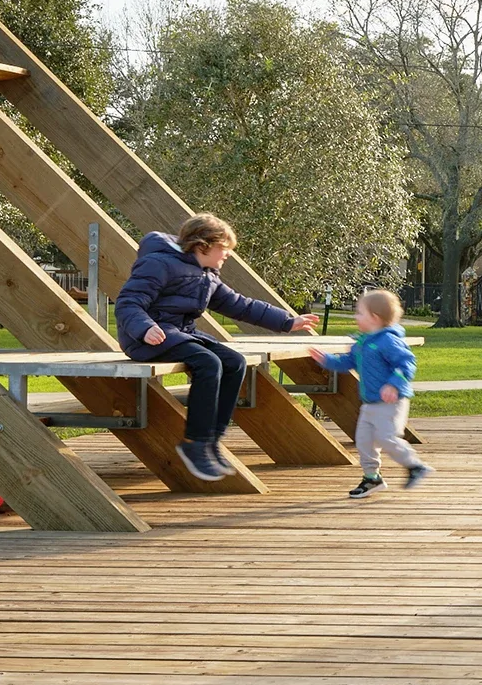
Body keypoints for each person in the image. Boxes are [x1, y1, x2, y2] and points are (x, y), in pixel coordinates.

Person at [113, 213, 319, 483]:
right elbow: (128, 303)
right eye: (225, 248)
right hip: (148, 337)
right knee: (208, 363)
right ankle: (195, 443)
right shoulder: (158, 264)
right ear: (203, 245)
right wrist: (145, 327)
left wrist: (287, 321)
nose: (228, 255)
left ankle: (212, 439)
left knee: (235, 362)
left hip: (179, 334)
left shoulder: (207, 275)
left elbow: (240, 305)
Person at [310, 287, 430, 498]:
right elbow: (347, 362)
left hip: (390, 403)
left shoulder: (388, 341)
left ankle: (415, 465)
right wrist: (327, 360)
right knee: (364, 441)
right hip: (370, 403)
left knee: (387, 438)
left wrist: (393, 384)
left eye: (359, 313)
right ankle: (372, 477)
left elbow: (407, 363)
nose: (356, 317)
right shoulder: (362, 343)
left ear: (374, 318)